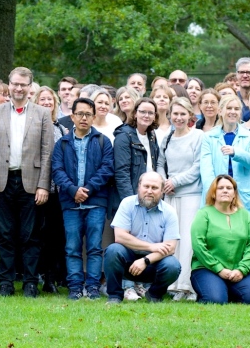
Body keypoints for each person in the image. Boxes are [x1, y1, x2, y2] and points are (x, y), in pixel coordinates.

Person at [0, 67, 53, 298]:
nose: (19, 88)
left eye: (23, 84)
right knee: (5, 235)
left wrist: (44, 185)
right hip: (3, 182)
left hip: (31, 183)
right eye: (15, 84)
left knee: (30, 235)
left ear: (30, 87)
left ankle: (31, 282)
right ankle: (5, 283)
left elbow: (47, 152)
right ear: (9, 85)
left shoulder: (42, 114)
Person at [52, 98, 114, 300]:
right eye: (80, 114)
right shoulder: (61, 143)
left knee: (95, 247)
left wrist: (87, 189)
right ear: (72, 117)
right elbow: (57, 171)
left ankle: (93, 286)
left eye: (88, 114)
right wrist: (72, 190)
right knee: (72, 247)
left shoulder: (103, 141)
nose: (84, 118)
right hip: (70, 204)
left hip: (96, 202)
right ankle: (75, 287)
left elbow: (107, 169)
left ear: (94, 117)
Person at [104, 172, 181, 303]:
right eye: (146, 186)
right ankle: (115, 296)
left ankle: (154, 295)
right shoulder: (127, 203)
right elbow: (120, 236)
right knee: (113, 250)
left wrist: (145, 260)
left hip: (154, 263)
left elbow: (171, 248)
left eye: (154, 188)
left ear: (162, 191)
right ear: (139, 187)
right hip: (128, 260)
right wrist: (151, 246)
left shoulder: (169, 212)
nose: (149, 191)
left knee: (173, 265)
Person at [190, 174, 250, 305]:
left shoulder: (245, 215)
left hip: (236, 270)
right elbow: (198, 246)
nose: (225, 190)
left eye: (229, 188)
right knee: (216, 301)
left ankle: (225, 290)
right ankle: (217, 290)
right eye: (220, 188)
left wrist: (241, 270)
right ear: (214, 193)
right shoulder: (203, 214)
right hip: (207, 268)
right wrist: (219, 269)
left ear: (234, 194)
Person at [112, 97, 160, 301]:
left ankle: (139, 283)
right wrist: (130, 202)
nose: (146, 115)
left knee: (143, 240)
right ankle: (127, 285)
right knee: (128, 243)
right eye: (142, 111)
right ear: (135, 113)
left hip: (149, 196)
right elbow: (121, 172)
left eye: (150, 112)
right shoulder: (124, 136)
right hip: (132, 197)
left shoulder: (151, 135)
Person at [155, 97, 203, 301]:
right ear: (170, 115)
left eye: (183, 114)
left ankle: (188, 286)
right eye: (175, 113)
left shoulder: (198, 136)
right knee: (172, 240)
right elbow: (159, 163)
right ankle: (173, 285)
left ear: (190, 115)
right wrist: (164, 181)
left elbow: (198, 167)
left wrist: (176, 181)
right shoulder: (167, 137)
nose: (179, 117)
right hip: (170, 196)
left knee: (188, 242)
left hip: (191, 195)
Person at [200, 95, 250, 235]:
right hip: (217, 193)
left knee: (243, 234)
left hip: (242, 193)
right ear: (220, 111)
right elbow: (206, 168)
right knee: (217, 234)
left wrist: (236, 152)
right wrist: (214, 192)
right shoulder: (208, 137)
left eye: (236, 108)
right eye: (229, 108)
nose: (233, 111)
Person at [33, 85, 69, 294]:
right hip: (36, 189)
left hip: (58, 192)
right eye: (43, 100)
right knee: (36, 235)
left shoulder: (61, 129)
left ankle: (50, 278)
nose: (47, 103)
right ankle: (34, 276)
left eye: (50, 100)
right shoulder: (33, 126)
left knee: (55, 237)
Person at [235, 57, 250, 122]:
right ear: (237, 75)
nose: (245, 75)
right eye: (241, 72)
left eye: (249, 72)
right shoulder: (233, 99)